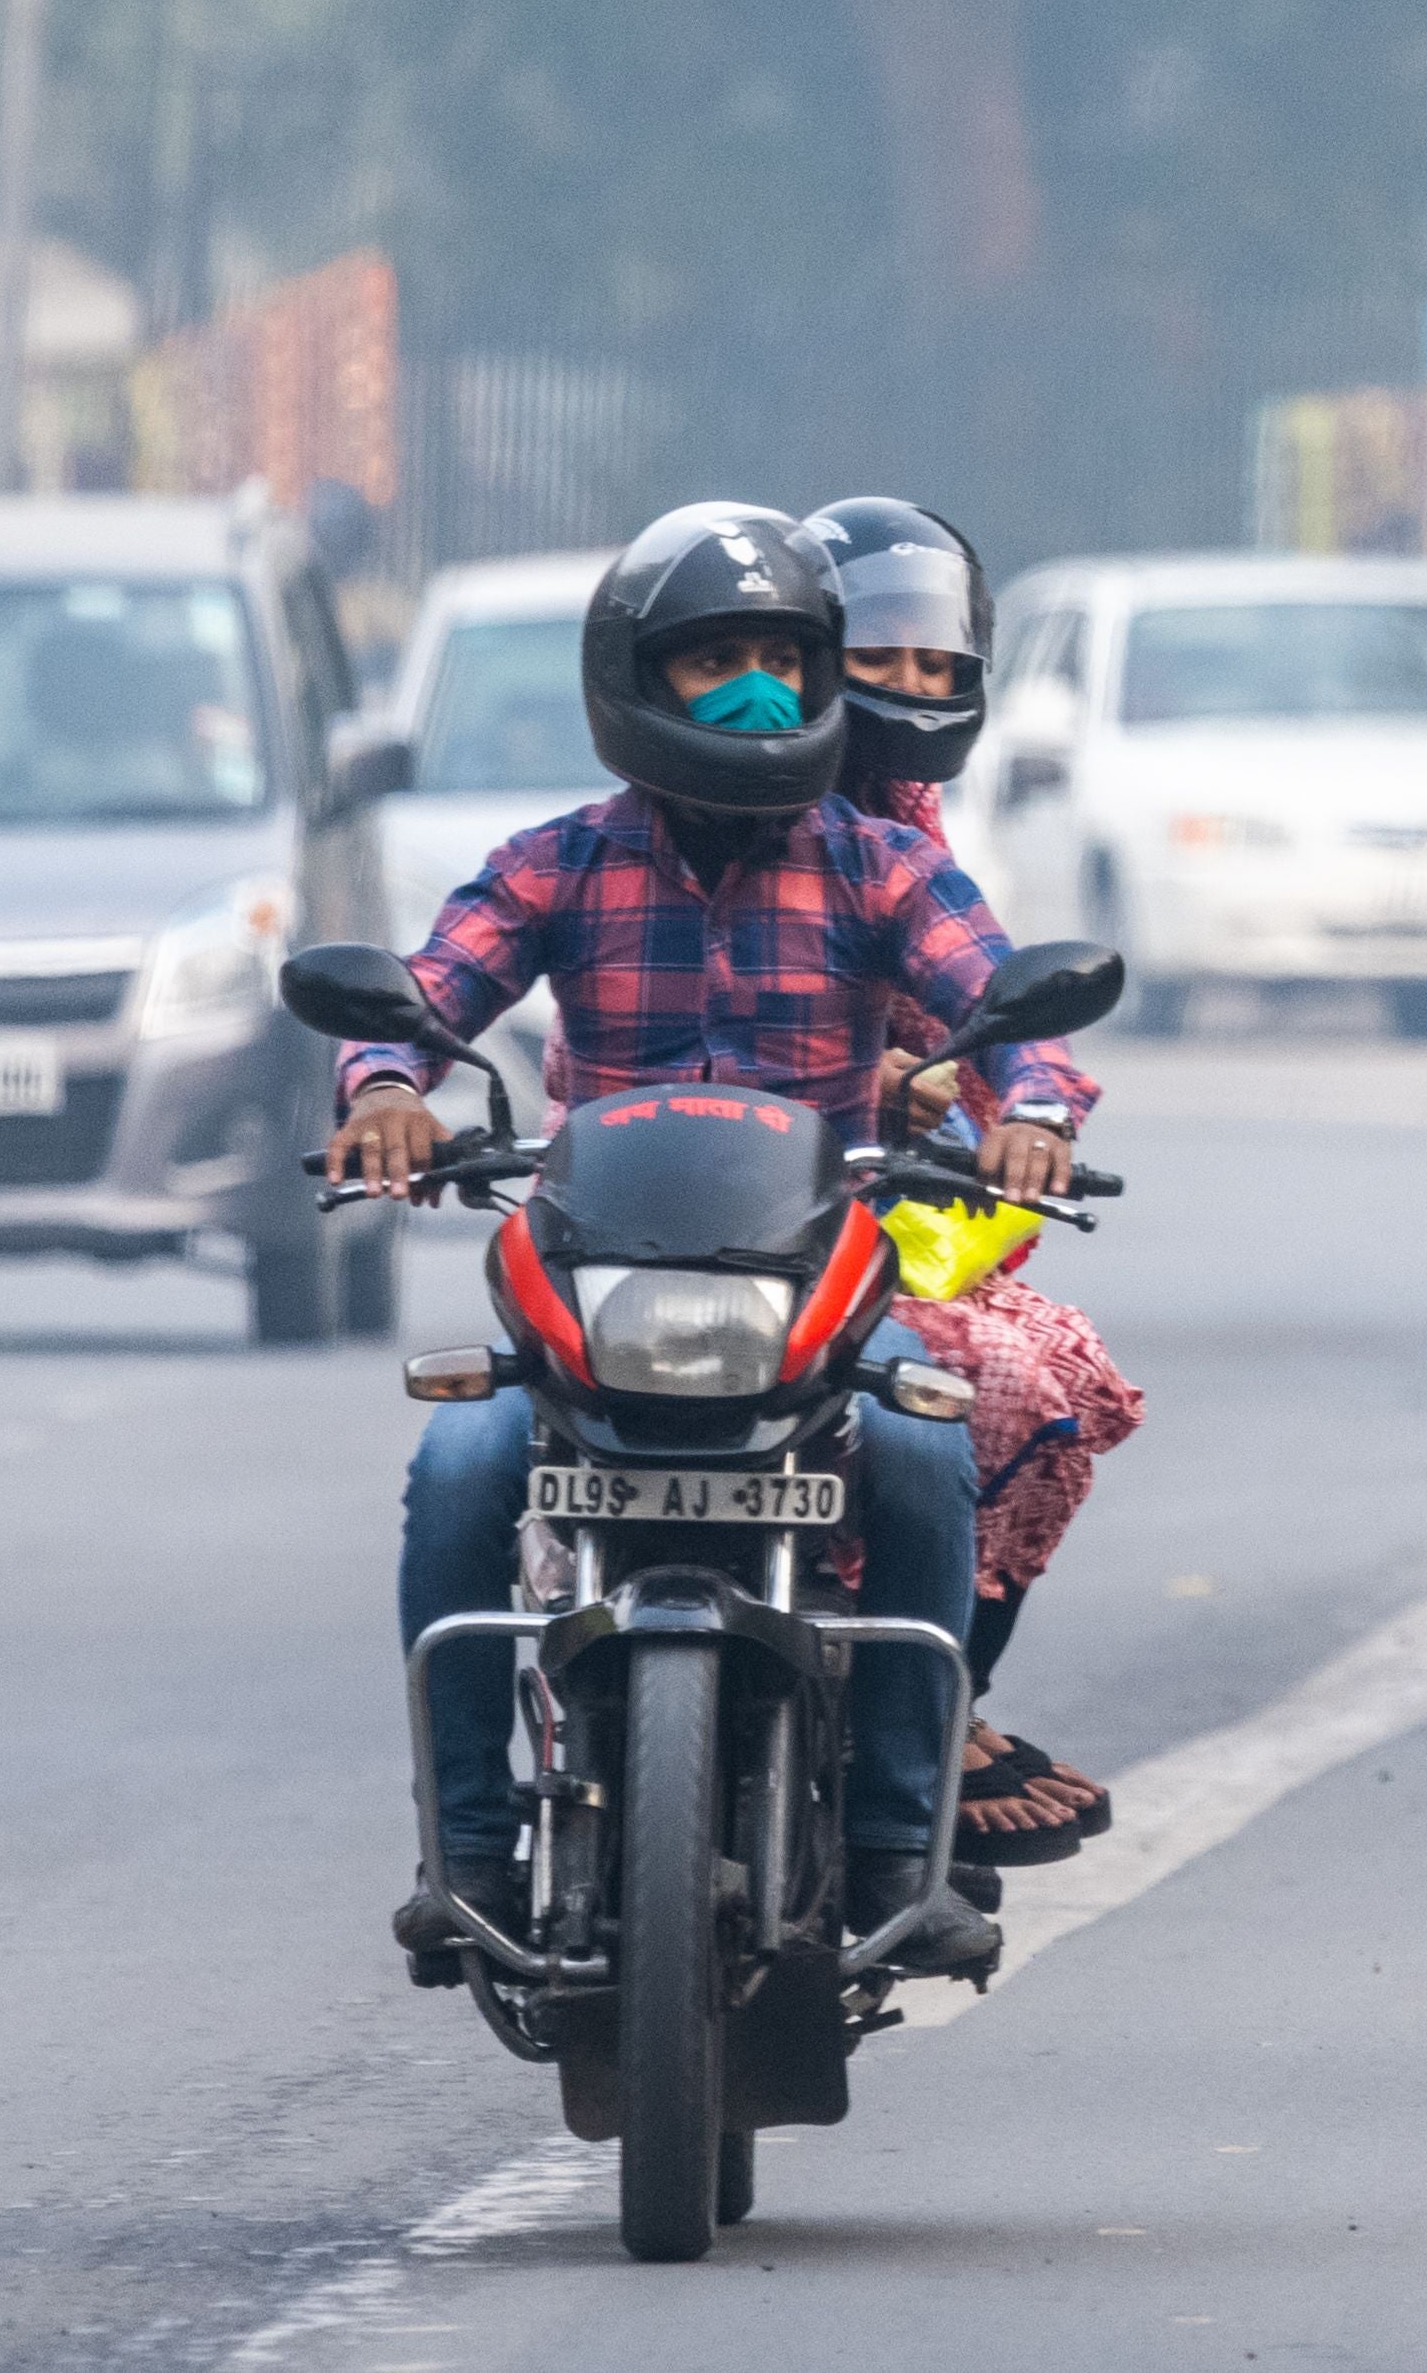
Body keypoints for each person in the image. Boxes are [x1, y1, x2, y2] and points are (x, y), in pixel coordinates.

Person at [327, 501, 1090, 1981]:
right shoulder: (554, 863)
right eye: (712, 662)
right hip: (592, 1300)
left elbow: (1001, 1006)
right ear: (634, 682)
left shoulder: (882, 866)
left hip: (815, 1298)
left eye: (782, 662)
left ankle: (899, 1848)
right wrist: (385, 1095)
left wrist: (1035, 1111)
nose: (755, 692)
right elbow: (423, 1003)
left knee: (929, 1452)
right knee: (461, 1464)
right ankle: (468, 1852)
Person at [803, 492, 1146, 1879]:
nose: (904, 693)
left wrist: (1031, 1113)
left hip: (859, 1215)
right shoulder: (623, 838)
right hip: (665, 1217)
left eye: (934, 666)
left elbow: (1002, 1024)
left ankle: (928, 1714)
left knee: (1012, 1382)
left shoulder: (906, 841)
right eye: (868, 658)